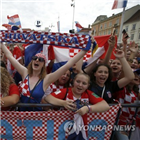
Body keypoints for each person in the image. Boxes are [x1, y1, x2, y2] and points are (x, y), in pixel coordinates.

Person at [1, 42, 89, 111]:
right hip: (21, 115)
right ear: (32, 62)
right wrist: (1, 43)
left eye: (41, 59)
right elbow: (10, 57)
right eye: (35, 58)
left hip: (36, 116)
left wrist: (85, 50)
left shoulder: (47, 79)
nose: (37, 60)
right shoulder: (25, 73)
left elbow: (68, 64)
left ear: (43, 64)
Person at [44, 73, 110, 115]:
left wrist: (88, 108)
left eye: (84, 83)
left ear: (88, 86)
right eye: (78, 82)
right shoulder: (65, 91)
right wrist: (63, 103)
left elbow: (105, 106)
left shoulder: (89, 93)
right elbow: (47, 97)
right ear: (73, 82)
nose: (80, 85)